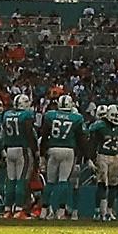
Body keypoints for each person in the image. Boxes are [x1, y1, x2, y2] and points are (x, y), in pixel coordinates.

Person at [40, 92, 84, 220]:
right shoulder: (76, 118)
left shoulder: (50, 116)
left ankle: (44, 210)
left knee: (50, 181)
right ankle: (60, 211)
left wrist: (43, 154)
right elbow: (81, 139)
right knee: (63, 181)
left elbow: (44, 136)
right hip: (68, 150)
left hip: (53, 148)